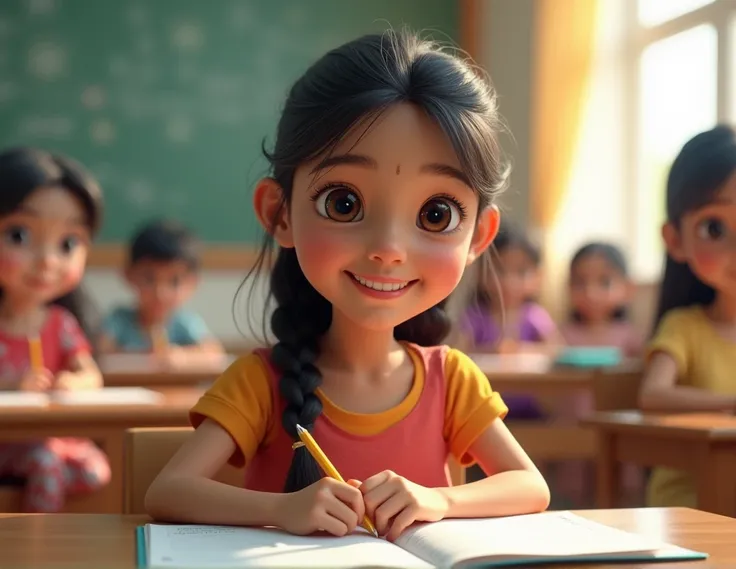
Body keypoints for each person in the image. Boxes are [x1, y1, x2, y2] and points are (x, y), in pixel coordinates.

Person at [145, 29, 550, 541]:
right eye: (344, 203)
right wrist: (283, 509)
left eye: (436, 213)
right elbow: (167, 491)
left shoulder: (452, 380)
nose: (388, 248)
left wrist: (439, 499)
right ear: (280, 213)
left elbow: (531, 487)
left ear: (479, 237)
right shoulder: (261, 381)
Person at [0, 147, 111, 512]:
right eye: (18, 235)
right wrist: (15, 386)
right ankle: (37, 548)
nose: (48, 260)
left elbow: (89, 373)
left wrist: (72, 383)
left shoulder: (61, 324)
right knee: (46, 462)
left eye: (68, 243)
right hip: (8, 441)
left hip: (51, 437)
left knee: (97, 468)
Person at [639, 125, 736, 507]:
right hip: (691, 506)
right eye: (715, 227)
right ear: (676, 239)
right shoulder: (685, 327)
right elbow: (654, 395)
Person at [98, 219, 223, 366]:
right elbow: (101, 353)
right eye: (149, 279)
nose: (160, 293)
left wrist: (181, 357)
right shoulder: (119, 319)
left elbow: (215, 354)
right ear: (128, 275)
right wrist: (143, 358)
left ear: (193, 283)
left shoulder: (185, 322)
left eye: (174, 282)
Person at [458, 222, 561, 356]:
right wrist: (491, 351)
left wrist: (524, 350)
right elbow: (460, 353)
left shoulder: (535, 316)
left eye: (521, 272)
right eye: (499, 271)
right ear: (480, 273)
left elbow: (556, 351)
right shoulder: (474, 317)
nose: (508, 281)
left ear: (538, 277)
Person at [560, 242, 642, 357]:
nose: (590, 293)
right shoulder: (560, 337)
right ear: (568, 287)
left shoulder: (631, 339)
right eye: (580, 282)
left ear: (628, 289)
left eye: (605, 283)